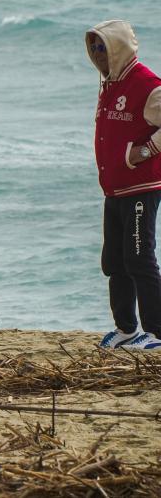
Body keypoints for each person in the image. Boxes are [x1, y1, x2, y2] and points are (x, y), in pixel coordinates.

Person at [88, 20, 161, 350]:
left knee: (139, 258)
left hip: (141, 188)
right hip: (114, 189)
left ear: (117, 48)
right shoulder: (109, 84)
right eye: (93, 48)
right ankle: (127, 330)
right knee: (114, 261)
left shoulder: (147, 84)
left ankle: (157, 333)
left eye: (102, 47)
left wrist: (144, 151)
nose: (97, 54)